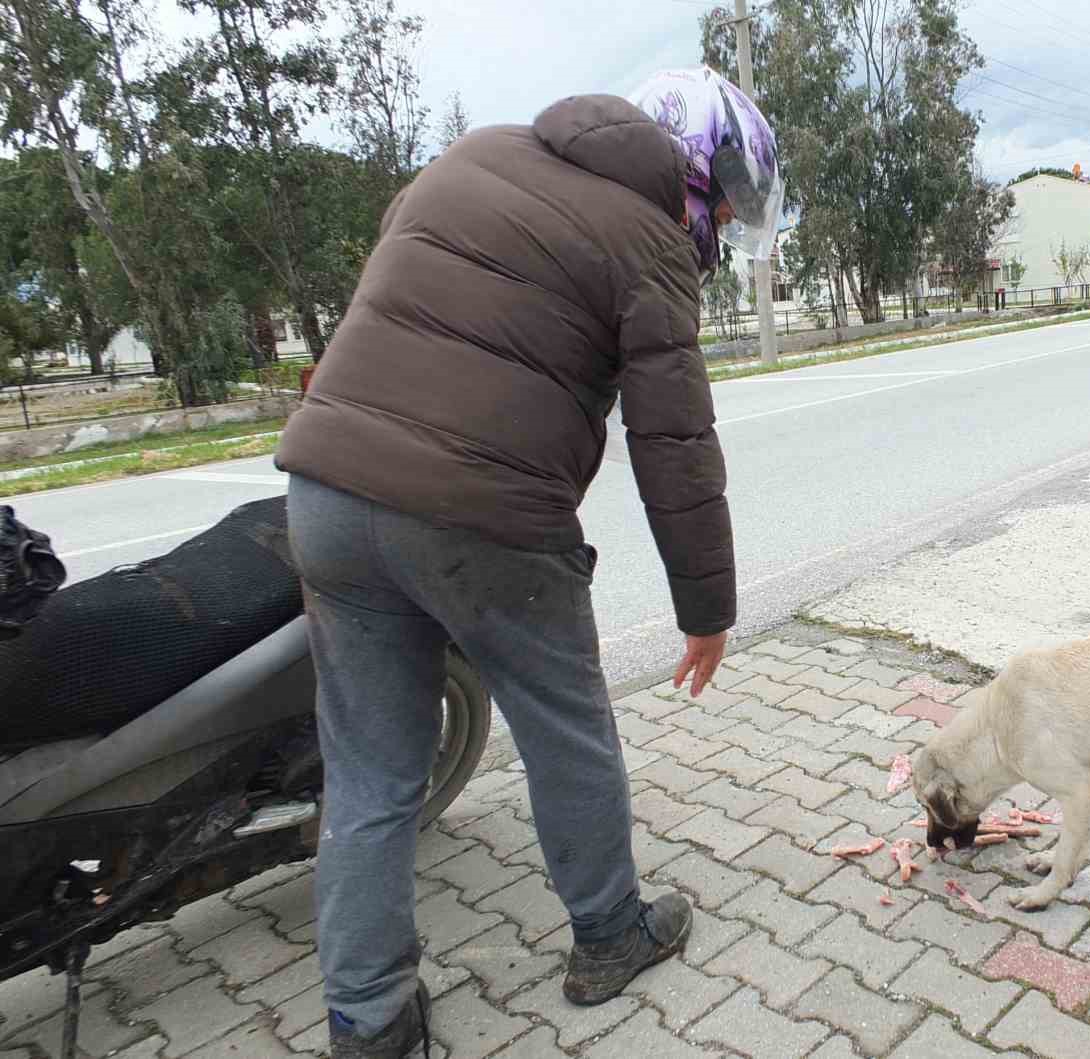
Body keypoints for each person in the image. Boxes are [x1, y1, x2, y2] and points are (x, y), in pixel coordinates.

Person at [274, 66, 781, 1058]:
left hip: (326, 492)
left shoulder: (471, 155)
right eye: (725, 191)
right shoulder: (650, 246)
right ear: (689, 164)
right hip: (486, 517)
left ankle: (368, 1024)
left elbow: (391, 292)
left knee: (372, 775)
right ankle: (608, 936)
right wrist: (707, 611)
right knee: (566, 733)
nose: (723, 216)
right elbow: (673, 447)